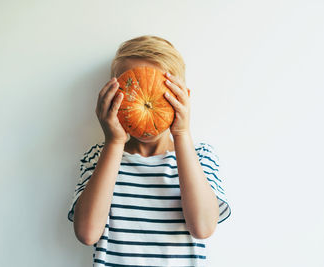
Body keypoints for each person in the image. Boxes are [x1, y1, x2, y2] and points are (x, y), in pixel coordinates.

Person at [67, 35, 232, 266]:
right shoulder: (99, 156)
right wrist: (114, 142)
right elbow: (87, 233)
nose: (144, 100)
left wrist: (182, 134)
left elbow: (203, 227)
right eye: (130, 90)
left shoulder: (200, 157)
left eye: (159, 92)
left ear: (183, 98)